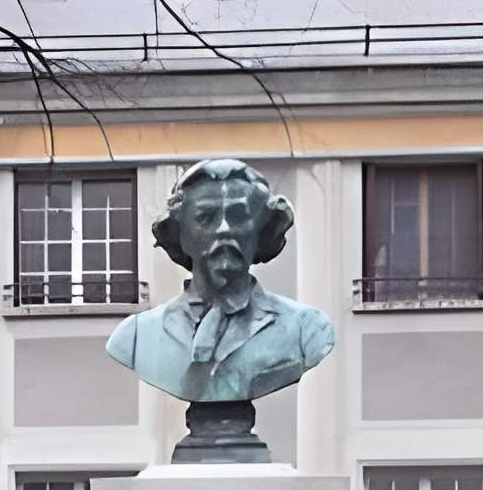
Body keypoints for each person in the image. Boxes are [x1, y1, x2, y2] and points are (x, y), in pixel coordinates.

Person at [105, 159, 337, 457]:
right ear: (180, 234)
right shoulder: (136, 336)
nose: (224, 230)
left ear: (262, 230)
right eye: (206, 217)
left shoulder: (307, 330)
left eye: (239, 216)